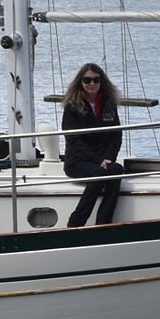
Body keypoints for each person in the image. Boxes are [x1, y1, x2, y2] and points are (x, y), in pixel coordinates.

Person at [60, 62, 126, 227]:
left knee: (117, 170)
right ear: (80, 82)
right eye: (87, 80)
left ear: (101, 82)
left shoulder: (108, 105)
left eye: (96, 80)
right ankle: (76, 222)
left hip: (103, 159)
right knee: (99, 173)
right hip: (77, 161)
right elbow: (74, 141)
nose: (91, 84)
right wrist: (99, 161)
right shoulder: (71, 107)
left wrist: (108, 158)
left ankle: (103, 222)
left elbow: (115, 135)